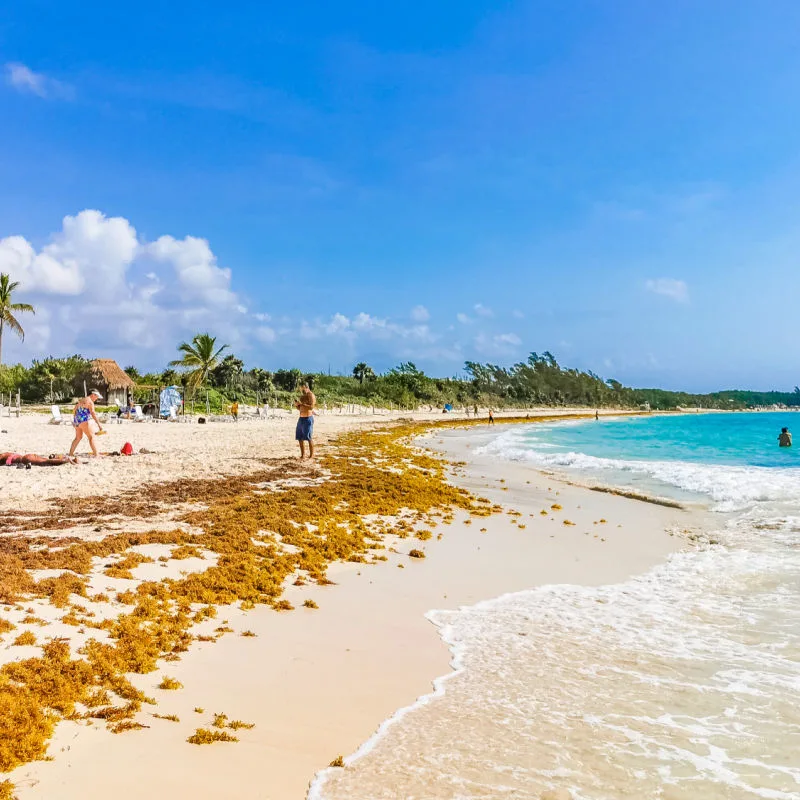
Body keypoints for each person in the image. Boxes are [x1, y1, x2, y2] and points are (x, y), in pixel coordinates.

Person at [69, 389, 104, 457]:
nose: (96, 399)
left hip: (77, 421)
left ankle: (70, 453)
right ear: (93, 394)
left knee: (78, 438)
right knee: (91, 437)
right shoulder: (90, 402)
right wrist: (99, 424)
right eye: (96, 397)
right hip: (84, 421)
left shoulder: (82, 400)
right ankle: (96, 455)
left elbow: (75, 409)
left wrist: (75, 420)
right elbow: (93, 413)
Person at [294, 382, 316, 459]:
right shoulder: (302, 396)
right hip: (301, 418)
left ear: (306, 387)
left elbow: (311, 407)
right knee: (299, 437)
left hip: (308, 418)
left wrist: (302, 404)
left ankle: (311, 455)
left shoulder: (311, 395)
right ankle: (303, 455)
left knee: (308, 437)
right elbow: (300, 408)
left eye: (302, 388)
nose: (301, 390)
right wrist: (297, 405)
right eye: (300, 389)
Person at [2, 452, 78, 467]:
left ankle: (67, 460)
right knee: (45, 460)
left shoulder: (3, 457)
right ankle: (67, 459)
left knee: (46, 461)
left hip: (25, 459)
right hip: (26, 456)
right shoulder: (5, 454)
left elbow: (8, 462)